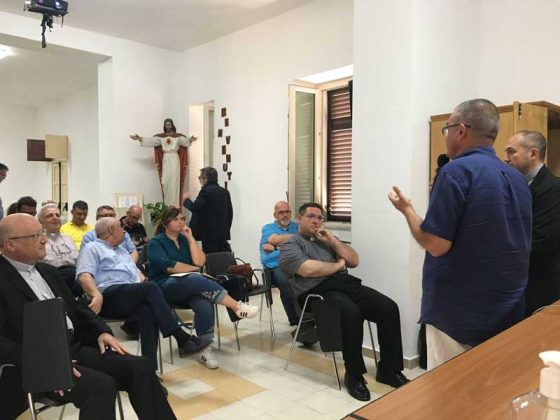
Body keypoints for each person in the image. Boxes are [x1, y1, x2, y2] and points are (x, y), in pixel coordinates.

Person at [388, 98, 532, 370]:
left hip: (459, 315)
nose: (446, 136)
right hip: (507, 307)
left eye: (447, 129)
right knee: (492, 386)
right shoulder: (517, 178)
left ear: (461, 131)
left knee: (450, 390)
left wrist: (407, 210)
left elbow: (436, 244)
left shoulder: (455, 172)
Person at [0, 214, 175, 420]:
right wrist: (44, 362)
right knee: (101, 386)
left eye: (42, 233)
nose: (45, 240)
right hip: (34, 362)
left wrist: (101, 331)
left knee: (141, 367)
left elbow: (76, 307)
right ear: (10, 244)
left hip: (73, 347)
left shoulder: (48, 272)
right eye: (36, 236)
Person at [279, 203, 409, 401]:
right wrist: (338, 265)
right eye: (311, 216)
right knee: (351, 312)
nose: (316, 221)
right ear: (299, 218)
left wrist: (332, 240)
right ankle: (354, 375)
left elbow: (354, 260)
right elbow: (308, 270)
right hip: (315, 293)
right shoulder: (291, 245)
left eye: (320, 217)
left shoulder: (327, 240)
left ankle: (389, 370)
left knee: (388, 308)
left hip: (343, 285)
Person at [76, 217, 210, 372]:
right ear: (111, 230)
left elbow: (136, 275)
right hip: (107, 295)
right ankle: (180, 337)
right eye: (120, 227)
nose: (124, 231)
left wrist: (142, 279)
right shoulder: (92, 248)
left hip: (129, 293)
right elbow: (84, 275)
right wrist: (95, 294)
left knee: (148, 312)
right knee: (151, 288)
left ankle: (149, 371)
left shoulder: (122, 251)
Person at [148, 207, 260, 368]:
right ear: (166, 223)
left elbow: (200, 262)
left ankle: (203, 349)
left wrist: (191, 238)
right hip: (164, 287)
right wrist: (193, 269)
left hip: (188, 287)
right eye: (176, 219)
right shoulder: (156, 242)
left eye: (182, 219)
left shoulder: (184, 240)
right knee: (194, 277)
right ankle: (236, 306)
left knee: (204, 302)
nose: (180, 222)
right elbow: (169, 267)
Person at [505, 130, 560, 316]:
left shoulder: (554, 189)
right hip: (517, 285)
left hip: (540, 287)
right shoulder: (513, 186)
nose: (506, 158)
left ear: (533, 154)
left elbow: (540, 240)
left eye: (512, 152)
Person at [130, 118, 197, 207]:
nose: (168, 126)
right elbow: (151, 141)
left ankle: (174, 205)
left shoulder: (178, 137)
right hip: (166, 159)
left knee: (174, 181)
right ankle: (167, 205)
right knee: (165, 181)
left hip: (174, 159)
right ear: (164, 126)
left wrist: (191, 139)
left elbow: (186, 142)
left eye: (169, 125)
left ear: (172, 125)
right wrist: (139, 138)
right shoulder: (161, 138)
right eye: (166, 125)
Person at [260, 201, 299, 326]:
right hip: (275, 267)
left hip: (294, 264)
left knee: (308, 279)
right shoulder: (268, 228)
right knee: (287, 282)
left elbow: (302, 247)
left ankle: (307, 316)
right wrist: (294, 242)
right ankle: (295, 319)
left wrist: (277, 246)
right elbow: (267, 256)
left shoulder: (296, 227)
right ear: (275, 215)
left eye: (287, 211)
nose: (285, 215)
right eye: (281, 212)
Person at [183, 167, 233, 254]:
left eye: (200, 178)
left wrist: (186, 200)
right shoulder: (225, 192)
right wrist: (226, 229)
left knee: (210, 258)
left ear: (205, 178)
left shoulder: (205, 191)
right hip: (222, 234)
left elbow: (196, 208)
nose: (200, 180)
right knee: (221, 258)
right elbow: (230, 213)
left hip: (209, 235)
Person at [37, 203, 82, 296]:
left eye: (57, 215)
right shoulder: (38, 240)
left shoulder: (68, 238)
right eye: (49, 216)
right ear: (40, 222)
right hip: (52, 277)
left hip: (74, 275)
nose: (55, 218)